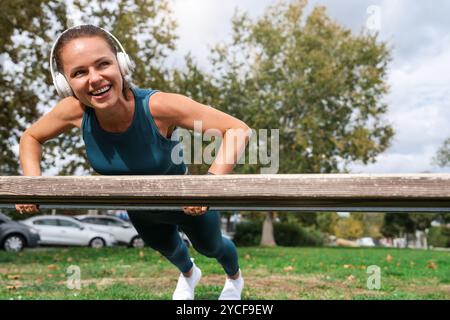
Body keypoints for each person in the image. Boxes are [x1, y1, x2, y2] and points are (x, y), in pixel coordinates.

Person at [15, 24, 251, 300]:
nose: (94, 78)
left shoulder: (158, 107)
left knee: (212, 247)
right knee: (170, 249)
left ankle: (234, 279)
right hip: (140, 209)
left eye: (102, 64)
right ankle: (189, 275)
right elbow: (31, 136)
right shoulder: (73, 111)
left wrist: (207, 185)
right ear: (65, 83)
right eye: (79, 72)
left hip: (188, 203)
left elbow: (237, 129)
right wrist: (31, 184)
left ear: (121, 63)